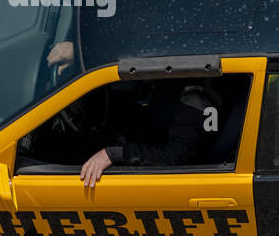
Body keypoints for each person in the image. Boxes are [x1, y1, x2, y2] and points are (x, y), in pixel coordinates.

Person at [79, 79, 222, 188]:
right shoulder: (176, 78)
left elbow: (176, 156)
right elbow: (156, 122)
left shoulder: (194, 101)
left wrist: (114, 154)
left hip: (174, 182)